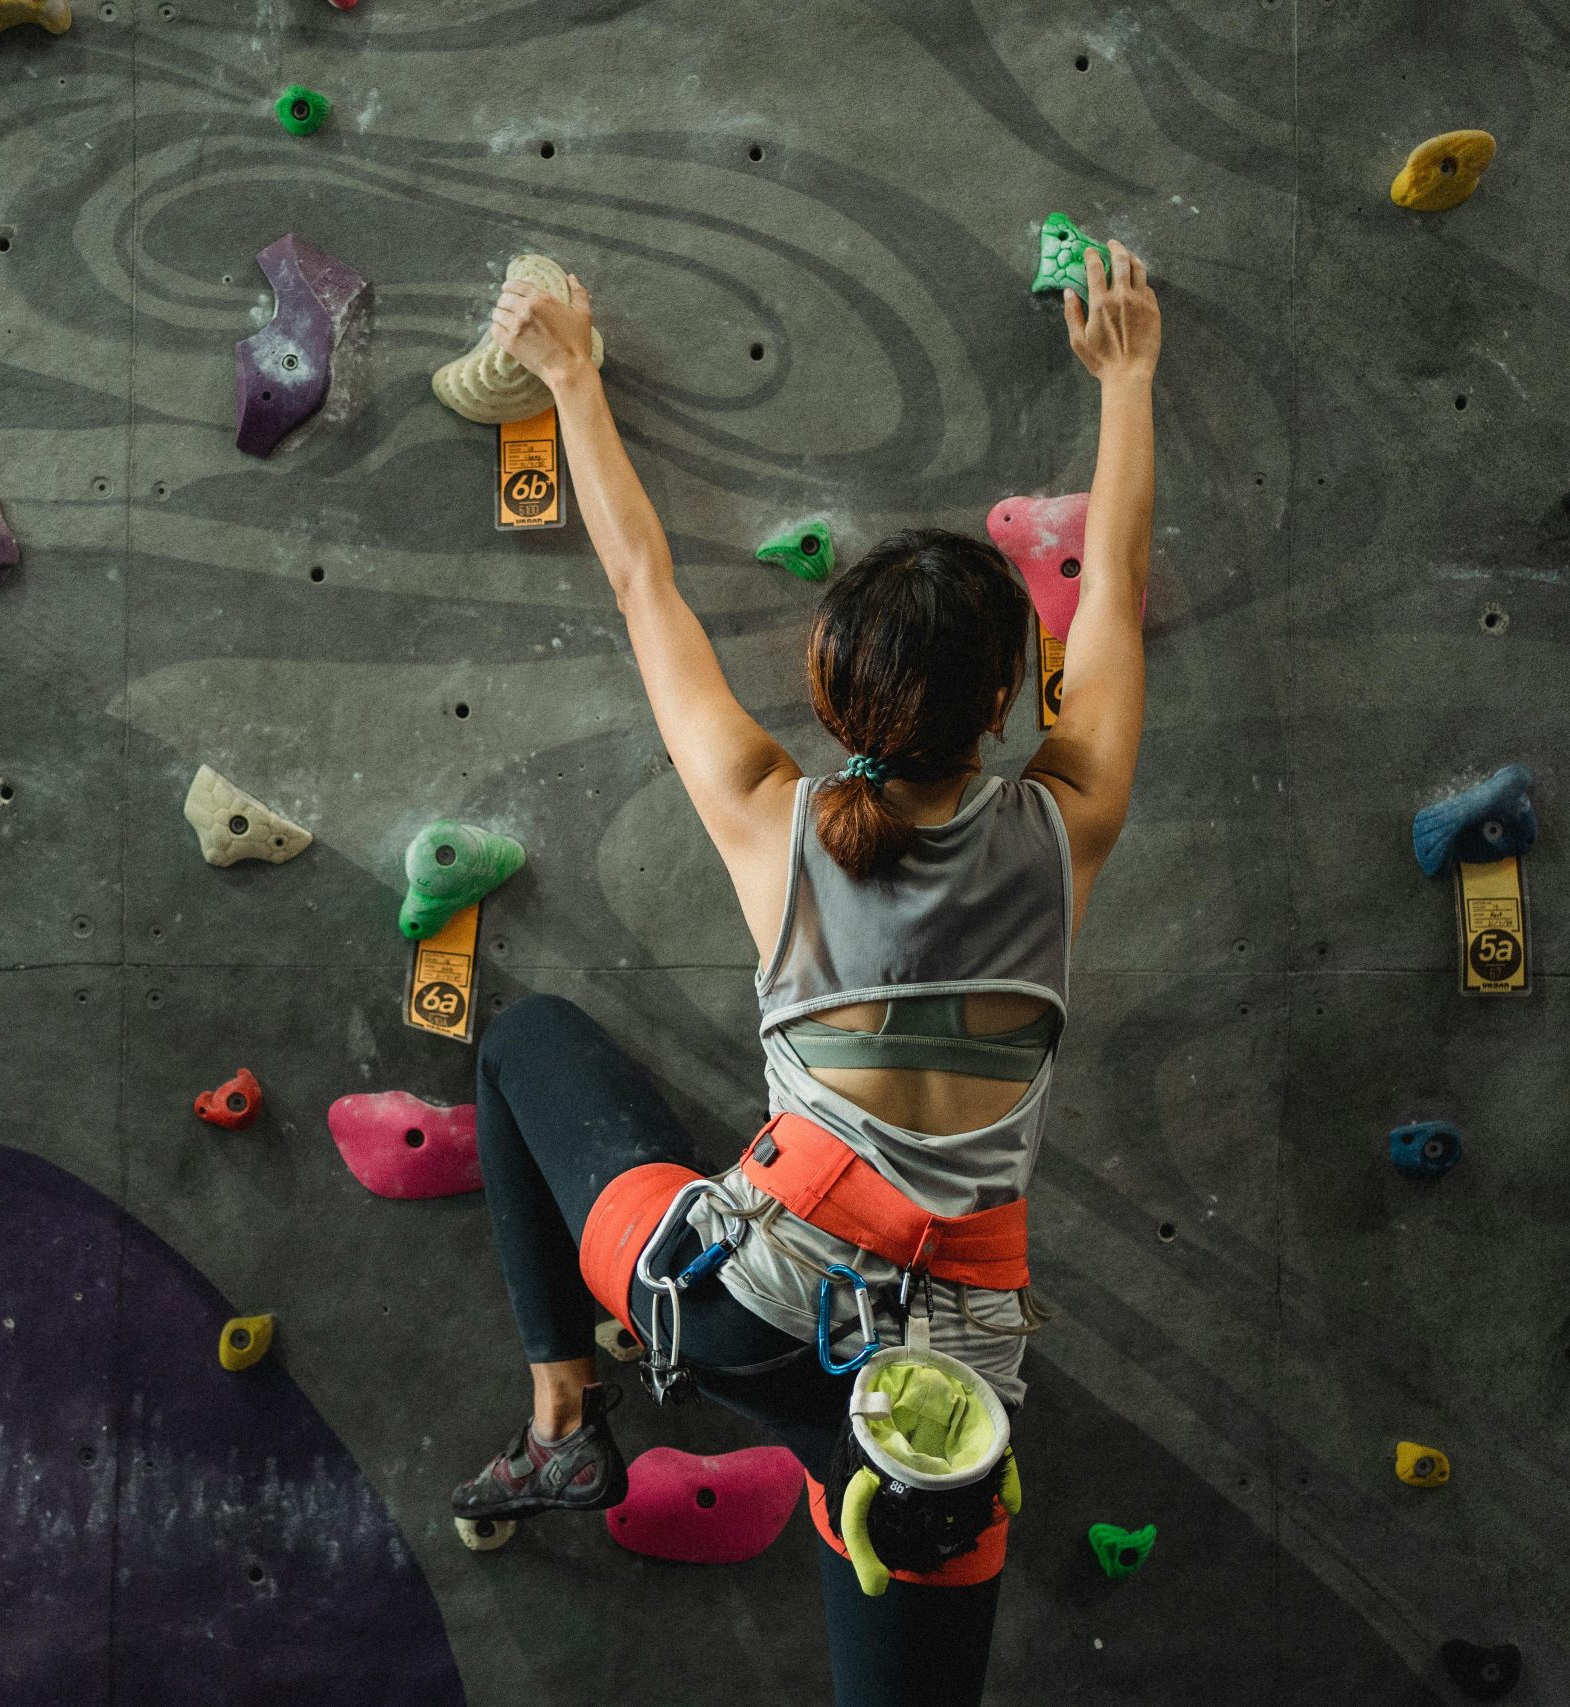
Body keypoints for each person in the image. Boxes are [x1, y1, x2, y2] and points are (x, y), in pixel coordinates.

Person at [447, 242, 1161, 1706]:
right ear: (1020, 703)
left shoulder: (771, 820)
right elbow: (1122, 603)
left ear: (832, 692)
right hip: (930, 1405)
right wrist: (1128, 383)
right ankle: (623, 1427)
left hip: (731, 1301)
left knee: (524, 1043)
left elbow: (645, 584)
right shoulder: (1062, 829)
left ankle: (565, 1410)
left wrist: (574, 373)